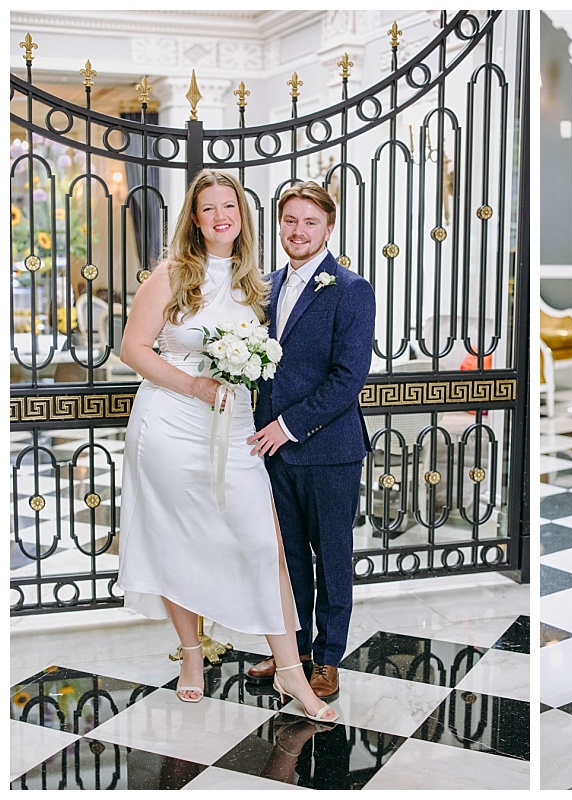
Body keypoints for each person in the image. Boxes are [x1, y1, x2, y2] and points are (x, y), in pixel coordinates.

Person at [116, 169, 335, 722]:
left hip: (234, 427)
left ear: (243, 216)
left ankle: (291, 672)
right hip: (169, 423)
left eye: (229, 208)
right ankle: (192, 656)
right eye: (209, 209)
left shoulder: (254, 283)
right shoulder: (171, 275)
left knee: (266, 545)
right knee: (174, 540)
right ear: (195, 218)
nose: (220, 218)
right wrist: (193, 384)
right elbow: (133, 348)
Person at [243, 180, 376, 703]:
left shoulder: (350, 288)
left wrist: (289, 426)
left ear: (329, 228)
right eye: (290, 221)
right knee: (287, 554)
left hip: (328, 448)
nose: (299, 231)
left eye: (310, 222)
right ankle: (290, 654)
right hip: (270, 450)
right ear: (279, 225)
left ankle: (327, 660)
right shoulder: (262, 286)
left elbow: (348, 377)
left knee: (333, 556)